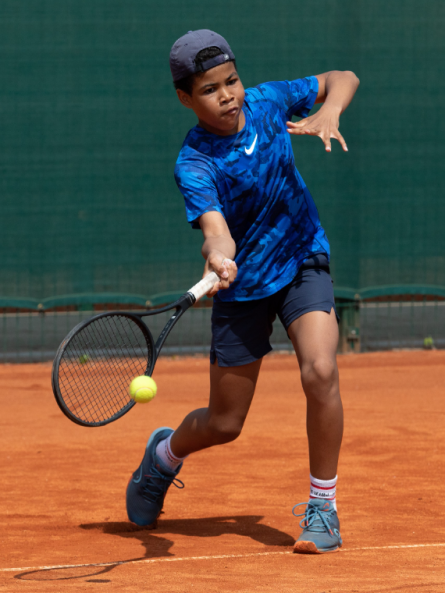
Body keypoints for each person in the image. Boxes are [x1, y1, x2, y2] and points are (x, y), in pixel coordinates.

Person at [126, 29, 359, 554]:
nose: (228, 95)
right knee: (224, 423)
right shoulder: (195, 162)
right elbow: (215, 227)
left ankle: (324, 507)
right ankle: (163, 457)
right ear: (186, 99)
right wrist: (218, 253)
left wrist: (331, 111)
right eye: (210, 89)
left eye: (231, 81)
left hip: (302, 256)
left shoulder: (270, 100)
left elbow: (342, 78)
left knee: (321, 369)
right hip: (244, 285)